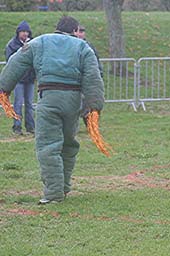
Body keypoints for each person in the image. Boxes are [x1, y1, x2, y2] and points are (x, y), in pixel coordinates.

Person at [0, 16, 104, 204]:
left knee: (48, 146)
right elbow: (93, 77)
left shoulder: (40, 42)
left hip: (49, 99)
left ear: (57, 29)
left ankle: (53, 193)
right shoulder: (82, 47)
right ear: (74, 31)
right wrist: (94, 108)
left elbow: (15, 63)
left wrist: (4, 90)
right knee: (68, 145)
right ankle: (63, 188)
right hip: (73, 101)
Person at [5, 20, 35, 135]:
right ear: (18, 32)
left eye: (27, 32)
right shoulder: (12, 45)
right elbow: (10, 62)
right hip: (18, 80)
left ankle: (30, 127)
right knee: (18, 103)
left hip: (30, 79)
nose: (25, 34)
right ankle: (17, 127)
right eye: (23, 31)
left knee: (29, 104)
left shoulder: (33, 44)